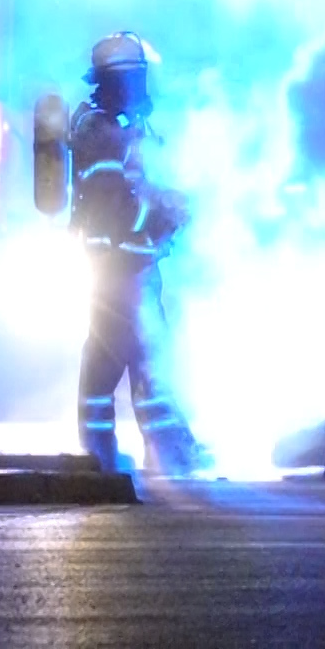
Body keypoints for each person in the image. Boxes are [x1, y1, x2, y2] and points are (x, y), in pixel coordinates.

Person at [69, 32, 205, 475]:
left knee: (116, 359)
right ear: (130, 78)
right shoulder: (103, 134)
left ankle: (116, 451)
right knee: (142, 356)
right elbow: (113, 201)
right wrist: (160, 214)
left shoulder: (112, 128)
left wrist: (172, 205)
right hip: (123, 269)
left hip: (123, 267)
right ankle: (164, 452)